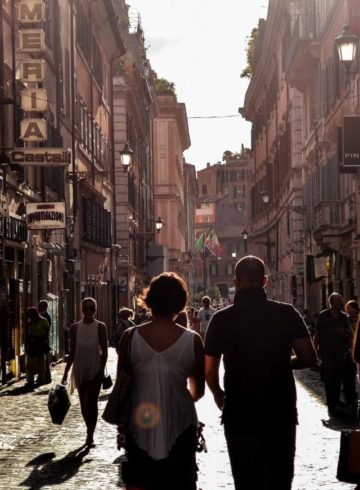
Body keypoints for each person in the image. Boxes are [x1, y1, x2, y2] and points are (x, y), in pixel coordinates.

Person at [205, 255, 316, 490]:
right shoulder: (287, 313)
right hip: (280, 410)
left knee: (245, 480)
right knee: (280, 478)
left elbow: (209, 370)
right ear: (265, 281)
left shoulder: (221, 320)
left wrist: (217, 394)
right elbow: (308, 357)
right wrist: (282, 362)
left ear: (236, 281)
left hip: (239, 410)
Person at [117, 272, 205, 490]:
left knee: (141, 481)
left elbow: (122, 387)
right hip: (182, 425)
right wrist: (173, 400)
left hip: (139, 425)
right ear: (180, 303)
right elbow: (198, 390)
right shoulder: (192, 340)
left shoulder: (129, 337)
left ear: (150, 300)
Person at [61, 297, 108, 448]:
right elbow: (72, 351)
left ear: (95, 310)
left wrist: (101, 370)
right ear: (82, 310)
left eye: (92, 309)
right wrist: (66, 372)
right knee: (83, 404)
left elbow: (105, 351)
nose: (89, 312)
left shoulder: (100, 327)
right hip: (80, 368)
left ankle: (90, 436)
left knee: (92, 403)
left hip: (94, 368)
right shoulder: (75, 328)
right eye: (86, 308)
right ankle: (89, 428)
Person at [314, 293, 358, 416]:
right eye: (339, 301)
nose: (342, 303)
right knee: (329, 379)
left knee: (338, 378)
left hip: (339, 353)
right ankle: (331, 403)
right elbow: (317, 334)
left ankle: (336, 401)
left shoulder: (344, 317)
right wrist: (316, 351)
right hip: (326, 353)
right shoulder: (323, 316)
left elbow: (350, 335)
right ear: (332, 303)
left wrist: (345, 334)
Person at [24, 306, 51, 390]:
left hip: (41, 343)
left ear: (34, 314)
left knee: (41, 363)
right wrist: (27, 342)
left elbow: (46, 333)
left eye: (30, 314)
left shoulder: (44, 321)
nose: (29, 316)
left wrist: (41, 339)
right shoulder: (30, 322)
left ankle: (40, 379)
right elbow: (28, 333)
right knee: (29, 363)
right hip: (32, 344)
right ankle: (30, 380)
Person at [38, 299, 52, 384]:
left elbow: (47, 329)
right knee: (41, 360)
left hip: (44, 340)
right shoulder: (39, 315)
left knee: (45, 360)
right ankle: (43, 376)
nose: (40, 307)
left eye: (41, 306)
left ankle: (46, 377)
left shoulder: (46, 316)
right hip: (40, 340)